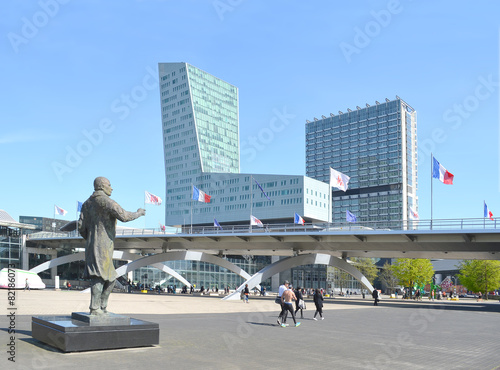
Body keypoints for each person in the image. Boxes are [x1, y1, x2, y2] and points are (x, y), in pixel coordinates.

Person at [78, 177, 145, 315]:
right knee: (99, 276)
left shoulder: (86, 204)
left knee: (111, 278)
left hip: (92, 244)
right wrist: (138, 213)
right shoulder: (106, 202)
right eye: (109, 185)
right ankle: (95, 308)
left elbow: (80, 226)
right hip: (102, 245)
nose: (112, 187)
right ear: (102, 186)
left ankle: (102, 306)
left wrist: (91, 238)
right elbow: (124, 216)